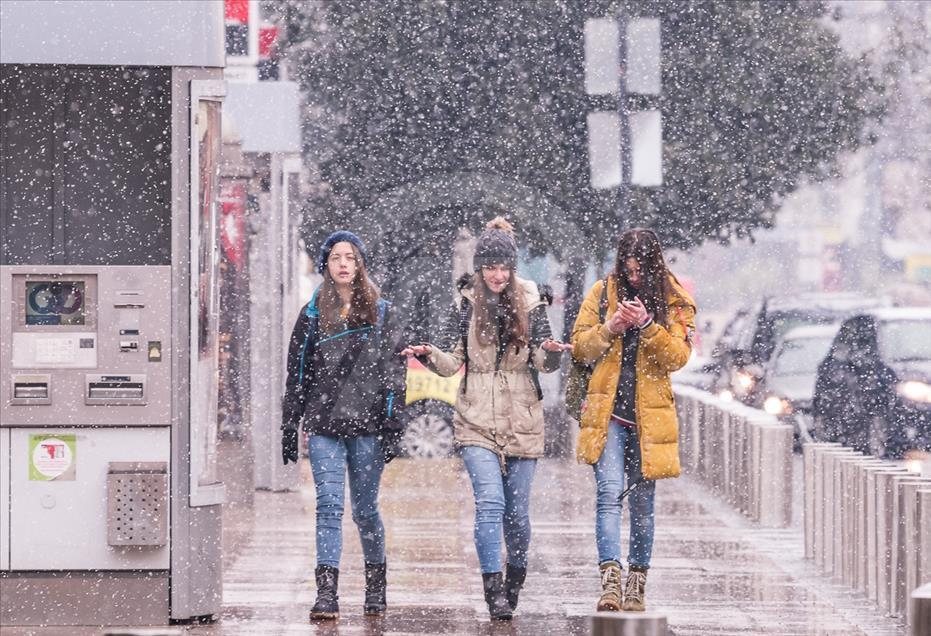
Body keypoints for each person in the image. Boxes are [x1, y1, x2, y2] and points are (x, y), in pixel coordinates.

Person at [402, 217, 572, 621]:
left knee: (517, 513)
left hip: (523, 416)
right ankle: (492, 589)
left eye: (503, 267)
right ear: (479, 268)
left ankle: (515, 580)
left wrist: (550, 351)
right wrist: (428, 354)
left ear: (512, 268)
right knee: (490, 505)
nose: (497, 275)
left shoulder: (532, 302)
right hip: (476, 415)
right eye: (490, 267)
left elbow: (544, 363)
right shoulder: (465, 302)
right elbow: (451, 364)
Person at [281, 230, 407, 621]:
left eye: (350, 257)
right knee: (329, 508)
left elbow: (394, 372)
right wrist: (290, 423)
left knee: (366, 511)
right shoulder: (313, 313)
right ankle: (326, 593)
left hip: (368, 427)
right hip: (324, 426)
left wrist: (393, 422)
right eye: (336, 257)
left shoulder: (383, 312)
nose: (343, 264)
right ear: (326, 265)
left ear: (360, 264)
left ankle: (375, 585)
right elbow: (297, 373)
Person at [570, 228, 696, 613]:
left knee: (642, 503)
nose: (634, 276)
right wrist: (611, 327)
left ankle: (637, 584)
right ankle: (610, 582)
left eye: (641, 270)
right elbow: (579, 345)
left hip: (649, 417)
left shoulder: (676, 299)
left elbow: (678, 356)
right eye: (628, 270)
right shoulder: (602, 292)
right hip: (606, 412)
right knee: (608, 495)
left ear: (654, 265)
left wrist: (647, 326)